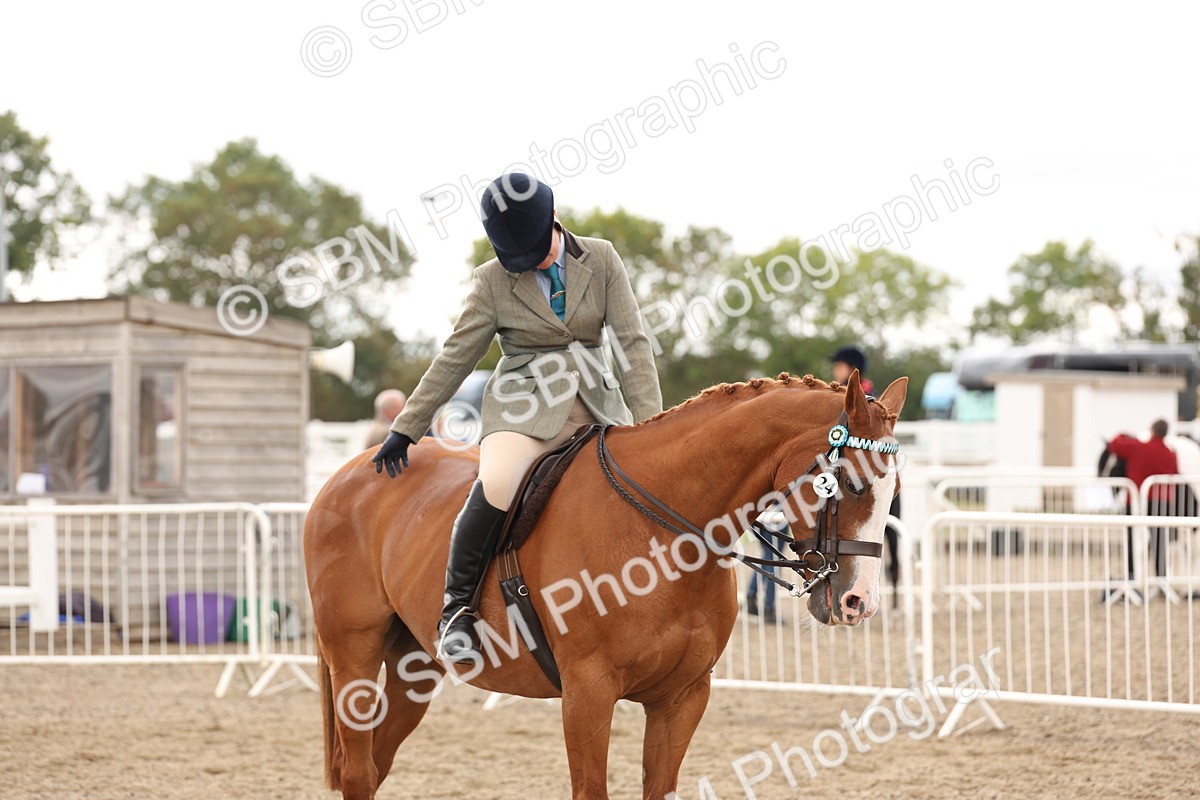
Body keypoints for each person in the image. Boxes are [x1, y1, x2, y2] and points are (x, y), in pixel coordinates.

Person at [372, 172, 663, 662]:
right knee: (499, 482)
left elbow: (632, 344)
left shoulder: (603, 257)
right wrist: (408, 427)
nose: (530, 266)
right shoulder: (490, 280)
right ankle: (457, 611)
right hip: (523, 405)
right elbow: (456, 356)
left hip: (598, 404)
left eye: (536, 252)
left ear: (554, 220)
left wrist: (651, 426)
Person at [1109, 420, 1178, 580]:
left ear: (1152, 430)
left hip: (1137, 502)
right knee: (1160, 542)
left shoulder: (1139, 447)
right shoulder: (1170, 453)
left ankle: (1133, 575)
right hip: (1162, 504)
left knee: (1132, 540)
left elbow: (1115, 445)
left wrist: (1123, 434)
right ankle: (1161, 577)